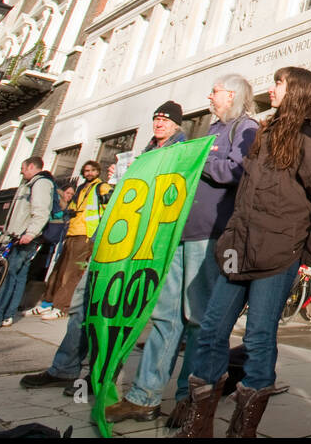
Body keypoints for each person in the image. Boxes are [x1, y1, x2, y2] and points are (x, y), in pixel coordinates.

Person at [179, 67, 311, 438]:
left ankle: (242, 430)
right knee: (211, 330)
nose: (272, 88)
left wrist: (309, 251)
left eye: (279, 83)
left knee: (257, 338)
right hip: (239, 249)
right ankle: (197, 425)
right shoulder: (263, 132)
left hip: (279, 253)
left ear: (297, 90)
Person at [106, 75, 258, 427]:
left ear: (231, 95)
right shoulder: (210, 130)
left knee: (198, 319)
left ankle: (190, 401)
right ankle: (143, 397)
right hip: (177, 233)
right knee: (165, 316)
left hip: (209, 234)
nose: (210, 96)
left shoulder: (245, 128)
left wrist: (196, 160)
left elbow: (237, 171)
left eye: (215, 91)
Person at [19, 103, 186, 391]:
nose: (159, 123)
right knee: (83, 304)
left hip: (139, 245)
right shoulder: (144, 151)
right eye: (156, 118)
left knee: (116, 311)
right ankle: (65, 367)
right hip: (111, 239)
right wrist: (118, 181)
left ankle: (100, 375)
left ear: (176, 125)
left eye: (165, 120)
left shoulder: (179, 153)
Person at [0, 157, 56, 331]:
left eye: (23, 168)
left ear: (31, 166)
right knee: (18, 277)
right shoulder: (31, 183)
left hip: (23, 238)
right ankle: (7, 315)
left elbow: (41, 211)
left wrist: (30, 233)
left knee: (7, 276)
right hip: (20, 235)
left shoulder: (39, 183)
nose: (21, 171)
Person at [31, 163, 109, 320]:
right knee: (58, 270)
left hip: (87, 233)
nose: (89, 173)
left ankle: (62, 306)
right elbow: (73, 206)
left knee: (71, 272)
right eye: (86, 171)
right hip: (72, 231)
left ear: (98, 171)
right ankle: (47, 303)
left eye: (93, 170)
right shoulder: (81, 188)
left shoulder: (102, 187)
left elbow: (107, 207)